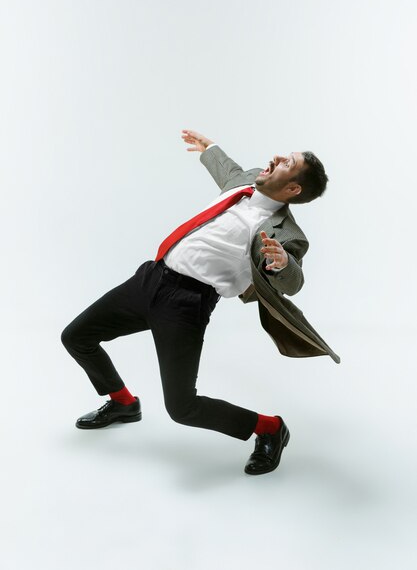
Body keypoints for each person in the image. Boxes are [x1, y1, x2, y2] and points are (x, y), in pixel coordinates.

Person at [61, 129, 340, 476]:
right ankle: (123, 404)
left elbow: (294, 281)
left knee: (182, 407)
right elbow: (227, 168)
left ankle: (269, 428)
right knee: (76, 336)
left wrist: (283, 262)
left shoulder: (285, 231)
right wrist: (210, 148)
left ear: (294, 188)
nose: (278, 158)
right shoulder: (248, 180)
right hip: (150, 278)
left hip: (186, 304)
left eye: (289, 162)